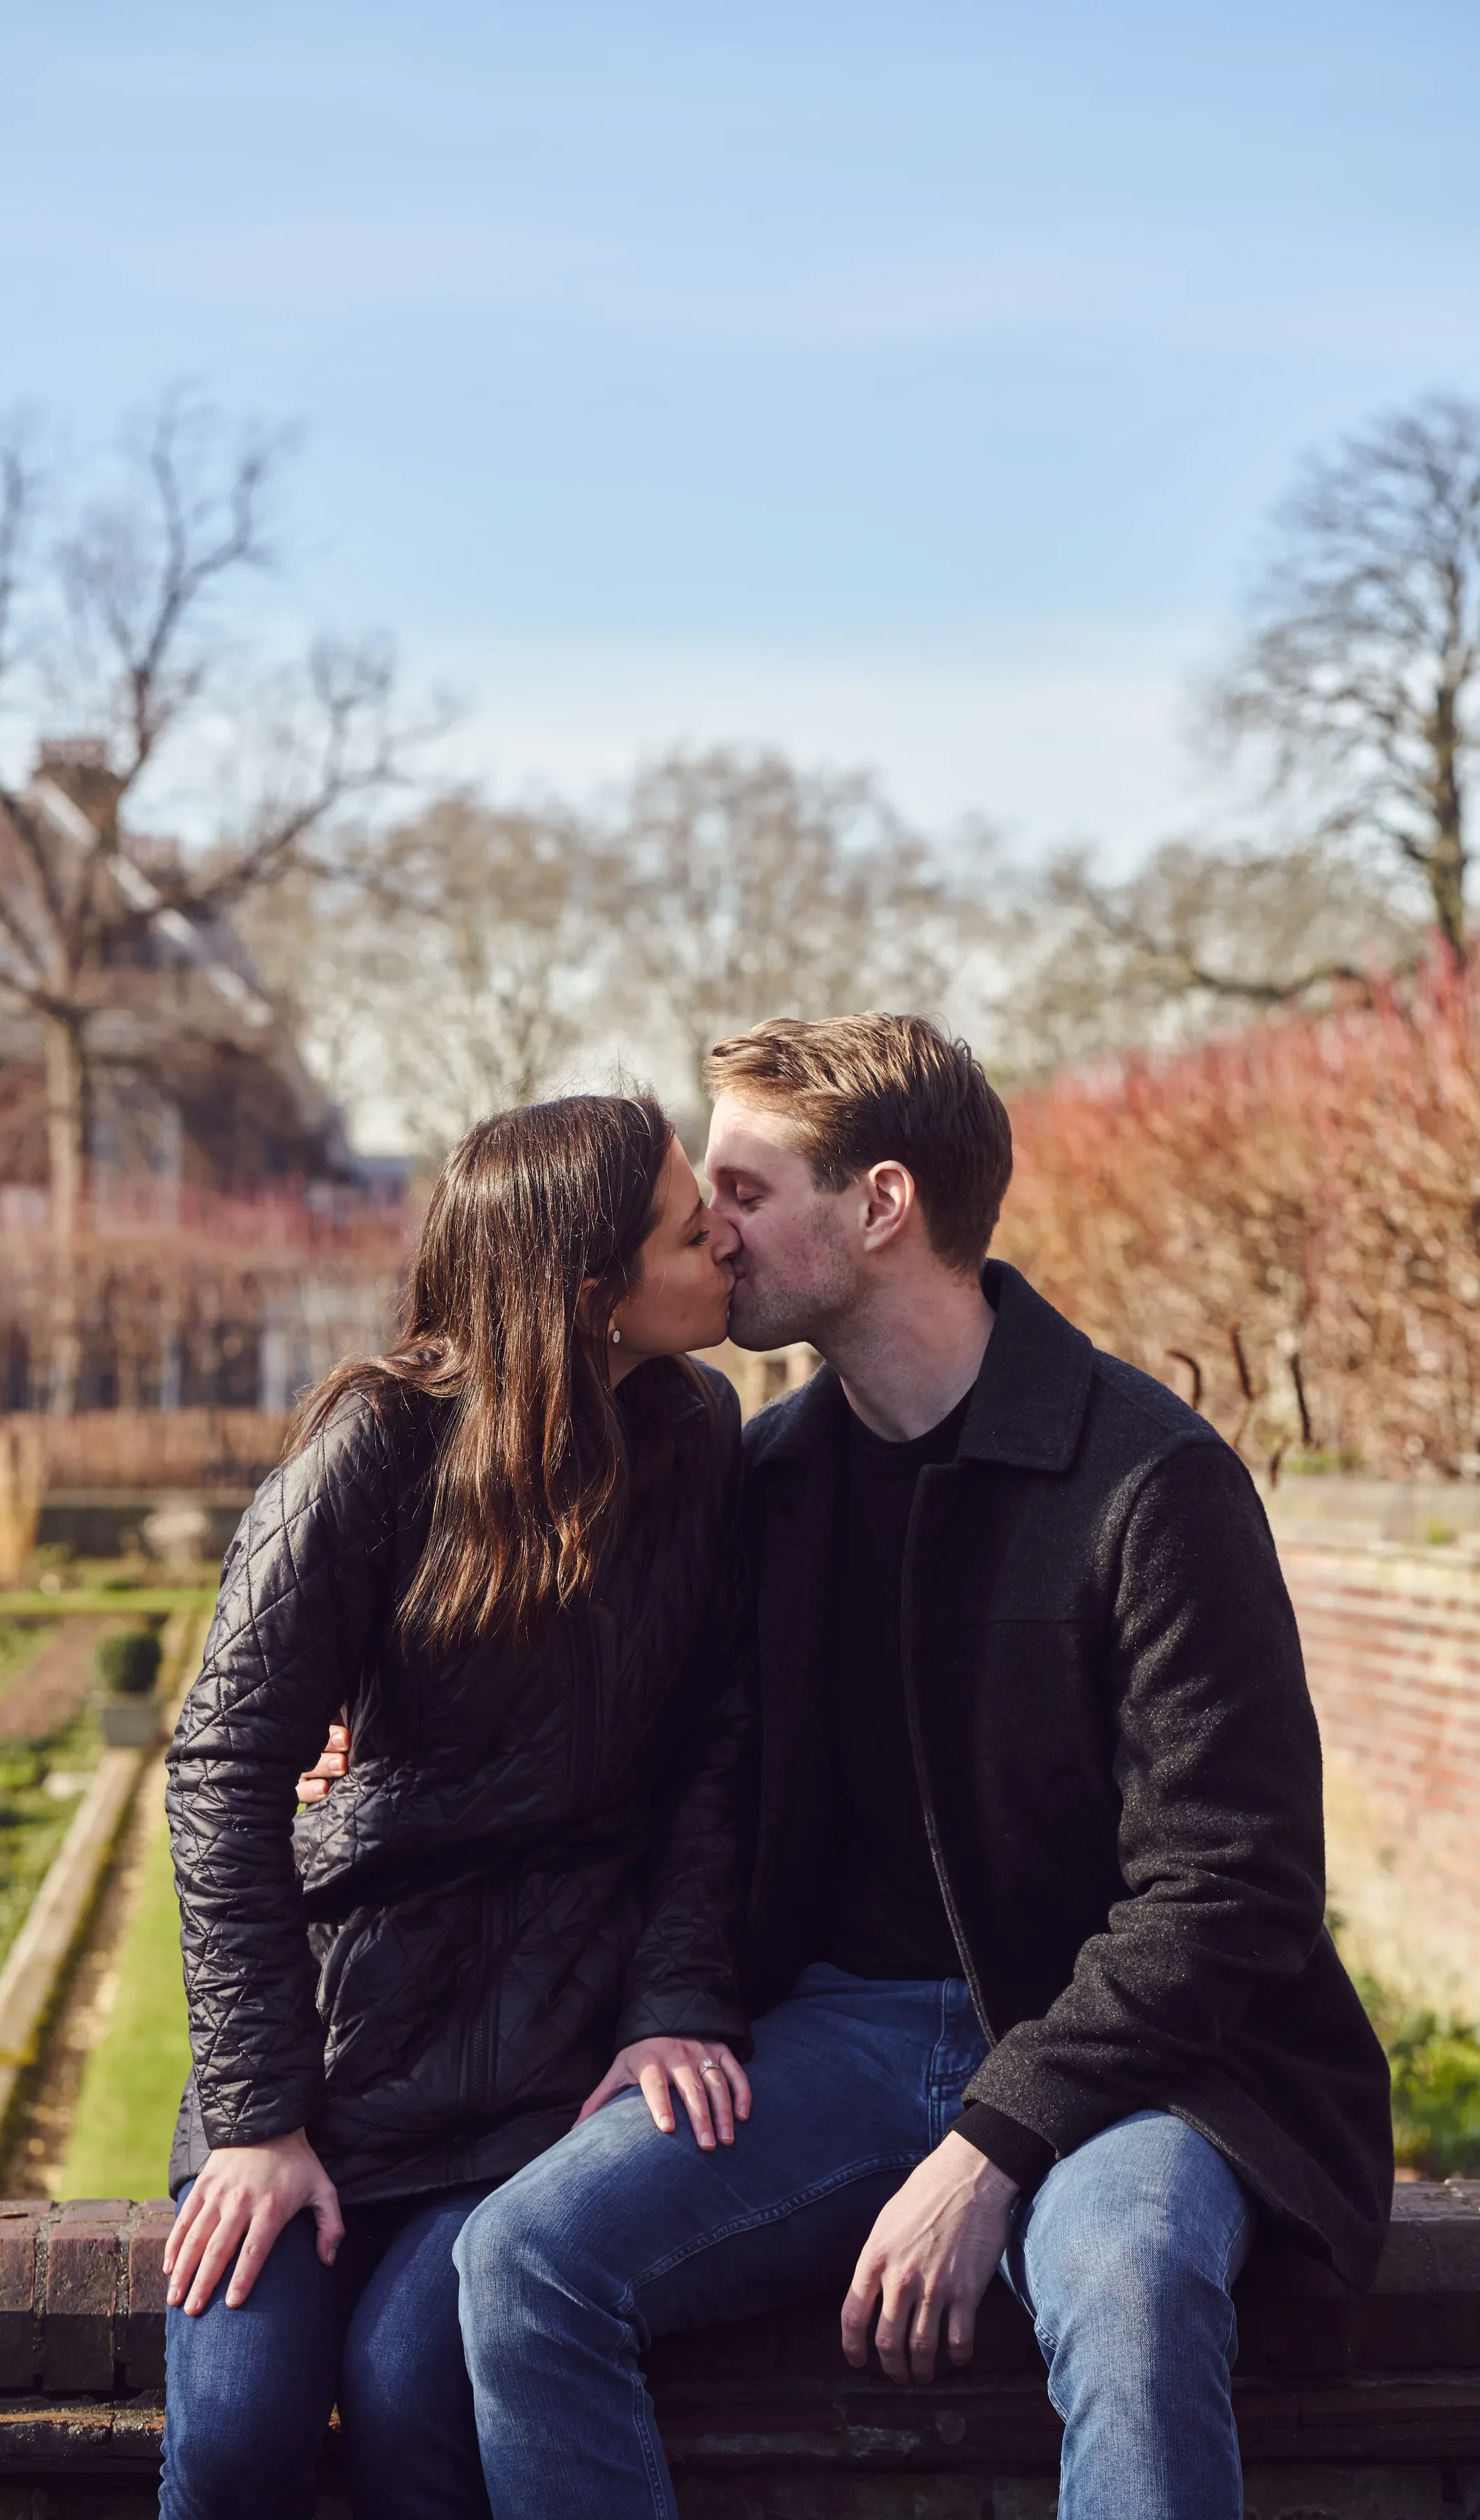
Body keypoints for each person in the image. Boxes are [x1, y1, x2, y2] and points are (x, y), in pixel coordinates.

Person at [454, 1013, 1395, 2520]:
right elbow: (620, 1731)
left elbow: (1233, 1885)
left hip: (1137, 2061)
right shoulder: (762, 1479)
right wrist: (362, 1742)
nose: (710, 1224)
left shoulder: (1149, 1483)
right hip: (841, 2029)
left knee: (1129, 2271)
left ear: (880, 1204)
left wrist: (992, 2143)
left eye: (747, 1189)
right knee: (521, 2257)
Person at [158, 1092, 754, 2520]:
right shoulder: (376, 1442)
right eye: (693, 1226)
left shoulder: (696, 1433)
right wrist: (255, 2115)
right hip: (339, 2054)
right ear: (595, 1292)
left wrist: (673, 1999)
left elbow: (712, 1756)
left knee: (423, 2397)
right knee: (240, 2437)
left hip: (544, 2065)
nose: (727, 1236)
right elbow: (221, 1763)